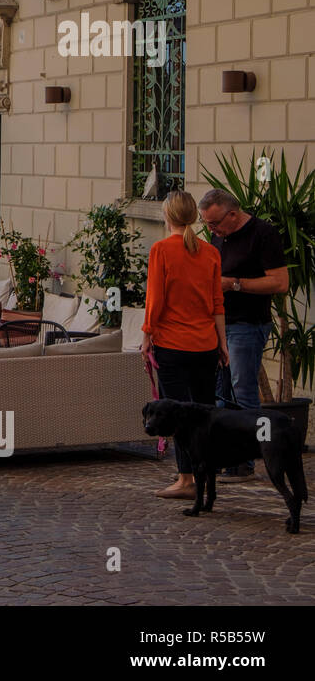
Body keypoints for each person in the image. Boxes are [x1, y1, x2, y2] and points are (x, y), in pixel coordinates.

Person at [140, 190, 228, 501]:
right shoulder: (210, 252)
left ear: (167, 216)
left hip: (172, 344)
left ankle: (186, 478)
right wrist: (223, 343)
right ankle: (206, 475)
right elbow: (217, 303)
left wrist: (147, 336)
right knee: (204, 412)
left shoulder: (161, 250)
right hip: (205, 343)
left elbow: (155, 300)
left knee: (174, 415)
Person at [199, 187, 289, 481]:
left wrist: (235, 284)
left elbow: (280, 283)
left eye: (214, 224)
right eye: (208, 225)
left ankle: (252, 459)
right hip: (221, 324)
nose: (211, 230)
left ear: (233, 214)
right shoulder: (218, 235)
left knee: (243, 392)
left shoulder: (263, 234)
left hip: (248, 325)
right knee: (222, 395)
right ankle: (230, 457)